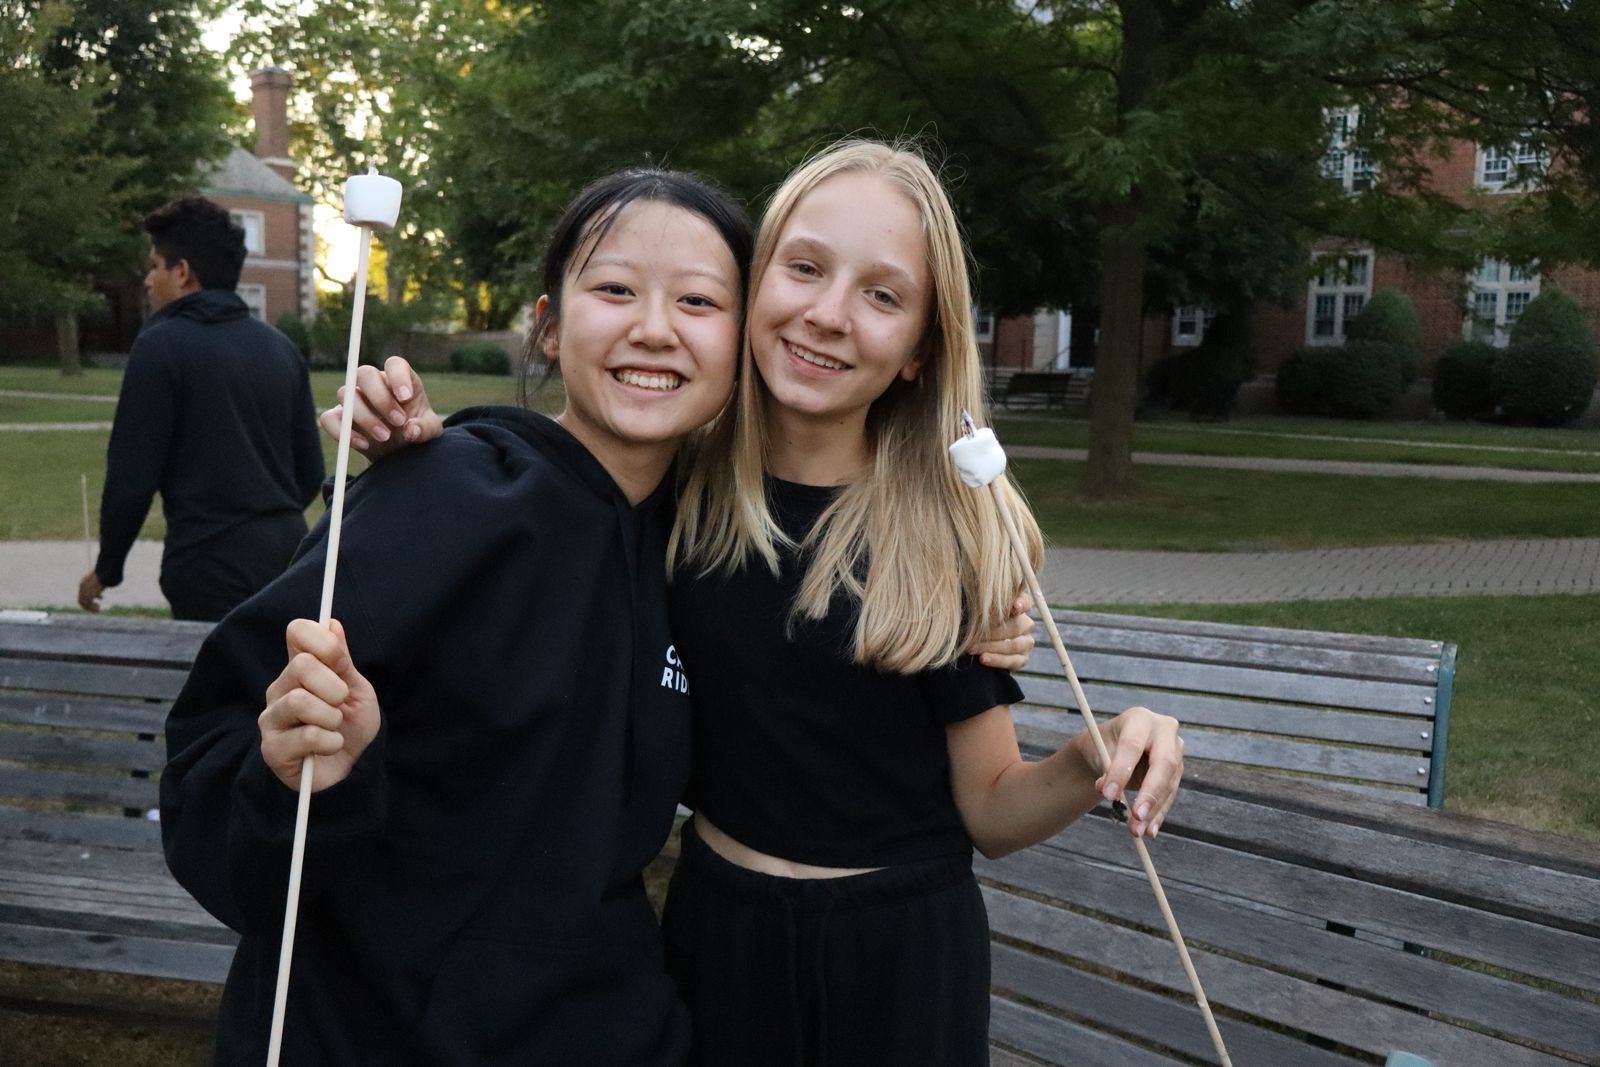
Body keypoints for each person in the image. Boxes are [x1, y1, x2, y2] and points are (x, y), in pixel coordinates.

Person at [337, 139, 1183, 1066]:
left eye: (883, 295)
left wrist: (1090, 757)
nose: (828, 314)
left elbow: (991, 809)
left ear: (918, 351)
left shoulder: (944, 534)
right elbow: (545, 500)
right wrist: (410, 438)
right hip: (716, 934)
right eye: (805, 268)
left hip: (897, 954)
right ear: (751, 291)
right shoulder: (677, 493)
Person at [160, 170, 755, 1065]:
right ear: (549, 327)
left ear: (742, 342)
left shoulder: (706, 554)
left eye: (699, 300)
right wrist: (303, 776)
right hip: (377, 1032)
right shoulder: (447, 495)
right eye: (615, 289)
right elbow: (216, 761)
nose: (655, 327)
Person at [78, 196, 325, 622]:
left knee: (215, 667)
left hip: (207, 565)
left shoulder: (160, 346)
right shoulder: (282, 349)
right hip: (287, 559)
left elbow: (131, 478)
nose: (148, 280)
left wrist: (106, 570)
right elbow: (309, 473)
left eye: (155, 266)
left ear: (182, 272)